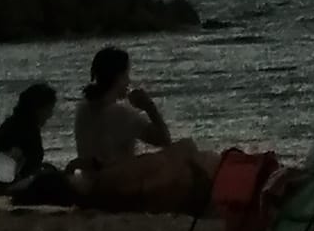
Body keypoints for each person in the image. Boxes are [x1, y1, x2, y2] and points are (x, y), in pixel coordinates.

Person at [70, 46, 214, 215]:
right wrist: (149, 107)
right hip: (114, 185)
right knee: (186, 147)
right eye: (126, 75)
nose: (128, 81)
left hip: (91, 182)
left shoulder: (82, 108)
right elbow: (164, 140)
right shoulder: (121, 113)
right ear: (118, 77)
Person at [0, 83, 74, 208]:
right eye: (49, 109)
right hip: (8, 186)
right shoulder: (26, 130)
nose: (50, 115)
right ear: (39, 109)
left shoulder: (15, 123)